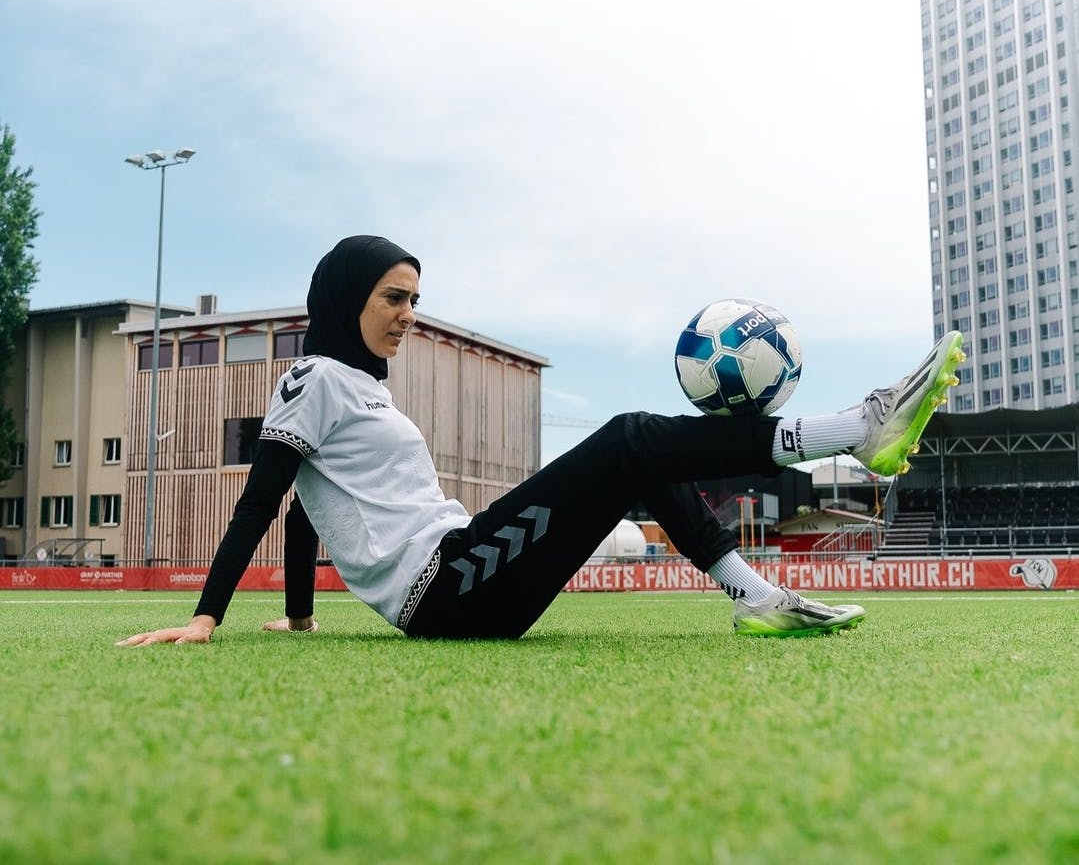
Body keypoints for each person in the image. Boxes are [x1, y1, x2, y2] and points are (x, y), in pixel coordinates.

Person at [117, 235, 965, 646]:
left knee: (632, 451)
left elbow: (309, 506)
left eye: (414, 297)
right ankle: (856, 429)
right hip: (446, 591)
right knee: (629, 435)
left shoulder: (358, 393)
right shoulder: (311, 381)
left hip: (463, 566)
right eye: (393, 297)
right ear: (345, 297)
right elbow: (265, 494)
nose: (408, 313)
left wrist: (302, 617)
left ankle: (753, 595)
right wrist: (205, 617)